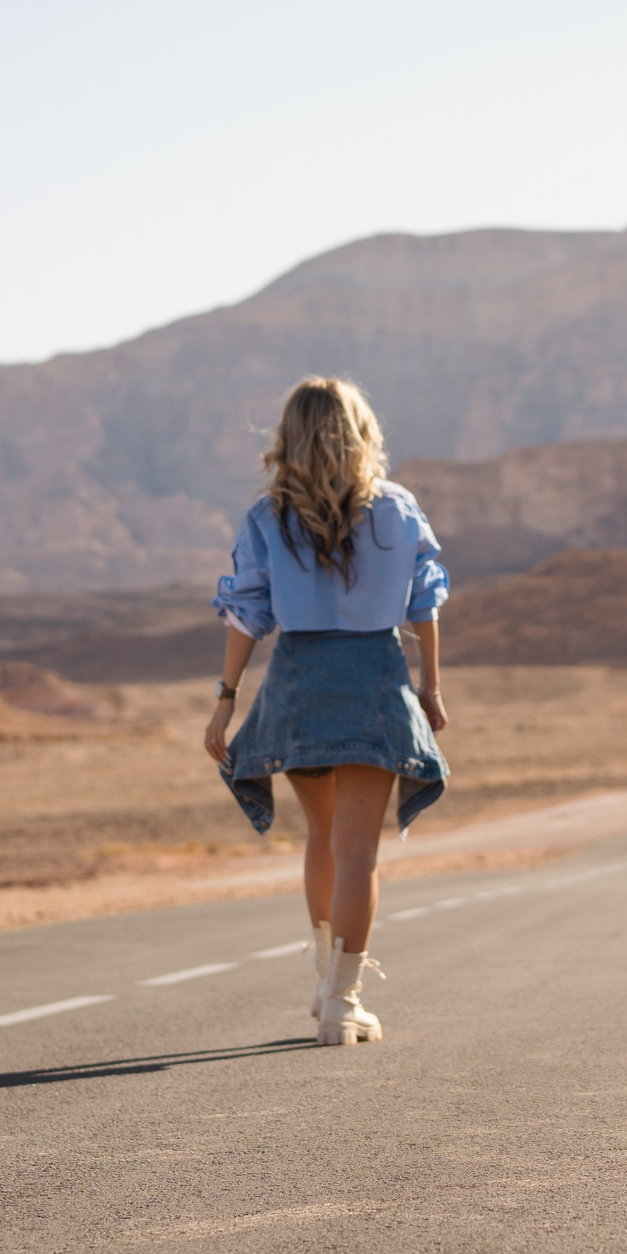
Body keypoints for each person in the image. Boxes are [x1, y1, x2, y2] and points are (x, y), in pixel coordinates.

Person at [206, 376, 451, 1046]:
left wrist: (226, 702)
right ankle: (343, 1001)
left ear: (288, 437)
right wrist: (430, 689)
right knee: (357, 852)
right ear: (359, 431)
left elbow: (246, 614)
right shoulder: (399, 510)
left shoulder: (266, 517)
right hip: (373, 676)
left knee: (321, 841)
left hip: (297, 680)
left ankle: (325, 987)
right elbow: (424, 604)